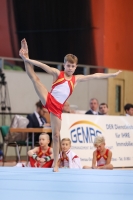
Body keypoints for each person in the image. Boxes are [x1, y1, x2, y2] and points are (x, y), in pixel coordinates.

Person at [19, 38, 121, 172]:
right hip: (48, 98)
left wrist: (112, 74)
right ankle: (25, 55)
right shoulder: (57, 73)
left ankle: (56, 163)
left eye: (73, 66)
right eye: (68, 66)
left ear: (76, 67)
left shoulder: (76, 79)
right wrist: (27, 59)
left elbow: (95, 75)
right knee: (34, 78)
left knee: (56, 136)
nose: (70, 68)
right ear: (64, 65)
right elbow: (42, 65)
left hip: (57, 108)